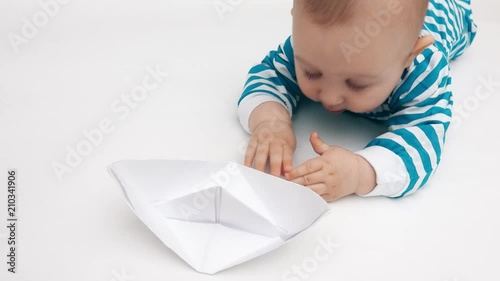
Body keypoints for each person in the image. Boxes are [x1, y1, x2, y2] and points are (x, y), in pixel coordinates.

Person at [237, 0, 477, 201]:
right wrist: (269, 121)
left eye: (357, 84)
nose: (330, 98)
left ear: (408, 56)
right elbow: (268, 76)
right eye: (311, 73)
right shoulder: (313, 47)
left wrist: (359, 172)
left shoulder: (422, 71)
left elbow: (424, 140)